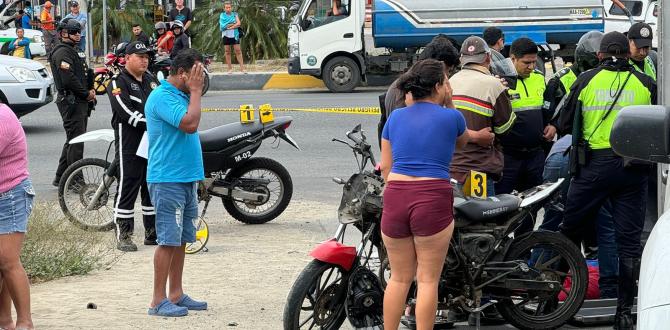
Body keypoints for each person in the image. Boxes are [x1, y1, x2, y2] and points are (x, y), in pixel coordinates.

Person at [558, 31, 656, 330]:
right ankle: (624, 313)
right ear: (628, 53)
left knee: (568, 232)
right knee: (628, 242)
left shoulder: (585, 80)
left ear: (599, 55)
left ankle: (552, 303)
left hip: (594, 169)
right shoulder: (646, 83)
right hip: (633, 168)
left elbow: (562, 123)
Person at [380, 59, 468, 330]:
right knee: (428, 279)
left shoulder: (395, 117)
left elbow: (385, 168)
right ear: (440, 86)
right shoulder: (452, 116)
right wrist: (450, 102)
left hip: (395, 195)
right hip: (432, 196)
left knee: (398, 278)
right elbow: (462, 142)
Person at [145, 48, 207, 317]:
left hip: (185, 178)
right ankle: (157, 300)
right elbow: (190, 124)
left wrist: (193, 92)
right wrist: (195, 91)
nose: (201, 78)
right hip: (167, 178)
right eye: (196, 73)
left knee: (181, 239)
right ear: (182, 73)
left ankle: (176, 293)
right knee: (168, 240)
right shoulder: (162, 96)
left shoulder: (181, 94)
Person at [108, 41, 159, 252]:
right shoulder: (118, 81)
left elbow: (162, 103)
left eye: (146, 56)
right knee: (128, 185)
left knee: (151, 185)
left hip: (153, 142)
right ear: (127, 58)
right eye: (140, 56)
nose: (144, 60)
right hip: (130, 141)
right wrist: (155, 123)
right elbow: (125, 112)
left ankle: (152, 232)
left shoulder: (151, 80)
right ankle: (124, 234)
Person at [449, 36, 516, 193]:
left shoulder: (450, 82)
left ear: (462, 59)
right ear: (488, 57)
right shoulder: (493, 84)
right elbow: (504, 129)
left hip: (451, 169)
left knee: (457, 215)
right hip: (477, 170)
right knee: (482, 216)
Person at [495, 38, 553, 194]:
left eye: (534, 62)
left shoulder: (539, 78)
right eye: (526, 63)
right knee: (503, 202)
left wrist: (552, 125)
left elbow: (547, 108)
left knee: (533, 201)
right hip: (508, 157)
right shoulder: (499, 81)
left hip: (535, 155)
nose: (532, 67)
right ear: (512, 59)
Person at [0, 103, 35, 330]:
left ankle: (25, 322)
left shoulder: (2, 116)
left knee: (7, 260)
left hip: (10, 195)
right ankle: (4, 320)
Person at [50, 18, 95, 187]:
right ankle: (76, 181)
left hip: (78, 100)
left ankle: (61, 176)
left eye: (78, 32)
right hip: (72, 100)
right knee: (77, 142)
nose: (77, 35)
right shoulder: (63, 52)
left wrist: (91, 90)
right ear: (63, 33)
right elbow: (68, 78)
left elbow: (83, 74)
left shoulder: (73, 50)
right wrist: (86, 94)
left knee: (72, 140)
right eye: (73, 32)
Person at [219, 1, 245, 73]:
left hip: (235, 34)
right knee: (227, 51)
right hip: (225, 35)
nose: (228, 9)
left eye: (229, 7)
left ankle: (242, 69)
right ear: (224, 8)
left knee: (238, 51)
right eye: (226, 7)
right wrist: (233, 24)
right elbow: (223, 26)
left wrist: (231, 26)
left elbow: (239, 23)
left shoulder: (235, 14)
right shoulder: (222, 15)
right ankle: (230, 69)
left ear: (231, 8)